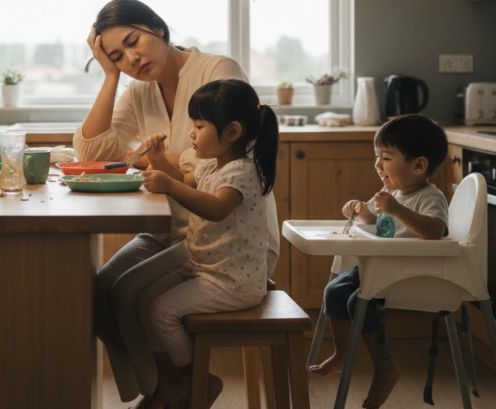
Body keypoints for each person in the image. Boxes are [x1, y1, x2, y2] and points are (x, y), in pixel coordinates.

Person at [73, 0, 261, 402]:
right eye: (118, 57)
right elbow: (91, 154)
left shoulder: (216, 70)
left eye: (133, 41)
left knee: (134, 295)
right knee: (101, 290)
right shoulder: (139, 90)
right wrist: (109, 78)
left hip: (224, 241)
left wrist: (153, 160)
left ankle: (173, 392)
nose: (131, 59)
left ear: (156, 27)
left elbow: (204, 166)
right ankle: (168, 388)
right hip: (166, 230)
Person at [118, 79, 278, 409]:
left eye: (200, 125)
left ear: (232, 132)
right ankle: (174, 381)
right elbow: (184, 182)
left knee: (161, 310)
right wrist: (160, 162)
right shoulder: (210, 163)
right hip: (207, 267)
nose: (192, 133)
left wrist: (169, 187)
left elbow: (216, 208)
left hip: (234, 282)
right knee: (145, 298)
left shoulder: (242, 172)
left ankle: (195, 381)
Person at [309, 114, 449, 409]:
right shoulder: (390, 193)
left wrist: (397, 209)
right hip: (381, 268)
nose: (377, 165)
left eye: (385, 157)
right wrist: (361, 212)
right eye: (377, 157)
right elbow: (375, 223)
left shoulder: (429, 197)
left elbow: (435, 231)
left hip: (412, 273)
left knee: (358, 301)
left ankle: (384, 368)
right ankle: (342, 355)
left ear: (419, 165)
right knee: (334, 291)